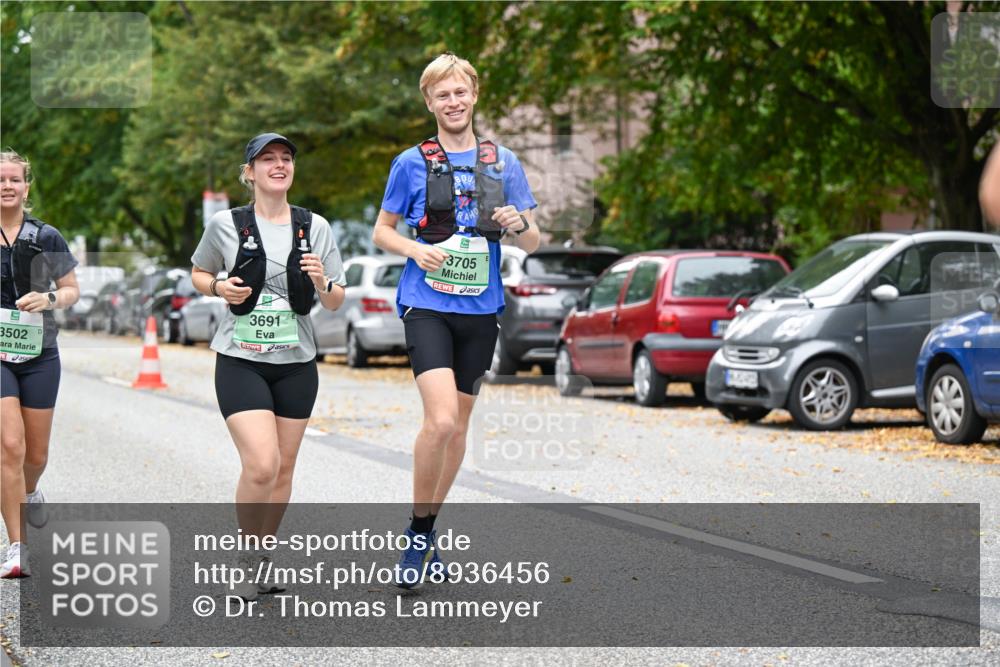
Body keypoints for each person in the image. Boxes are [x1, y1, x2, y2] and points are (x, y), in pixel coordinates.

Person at [372, 54, 541, 588]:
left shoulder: (503, 162)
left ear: (474, 96)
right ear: (429, 102)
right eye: (441, 95)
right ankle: (419, 534)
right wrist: (413, 252)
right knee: (440, 420)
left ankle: (425, 529)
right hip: (427, 304)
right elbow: (383, 231)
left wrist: (519, 225)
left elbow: (533, 239)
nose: (452, 102)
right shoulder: (410, 163)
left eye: (459, 93)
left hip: (480, 309)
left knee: (460, 428)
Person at [190, 133, 346, 600]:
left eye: (286, 159)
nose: (279, 165)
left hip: (297, 362)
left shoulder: (314, 225)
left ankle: (264, 556)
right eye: (267, 160)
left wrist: (322, 282)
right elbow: (198, 272)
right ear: (250, 172)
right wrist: (219, 287)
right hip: (241, 360)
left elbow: (336, 301)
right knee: (262, 464)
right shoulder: (226, 223)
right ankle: (245, 557)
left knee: (283, 469)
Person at [0, 150, 79, 578]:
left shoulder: (46, 236)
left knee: (36, 452)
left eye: (14, 179)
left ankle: (30, 490)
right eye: (0, 180)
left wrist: (49, 298)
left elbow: (71, 290)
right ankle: (16, 548)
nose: (7, 186)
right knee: (9, 447)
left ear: (26, 187)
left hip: (40, 351)